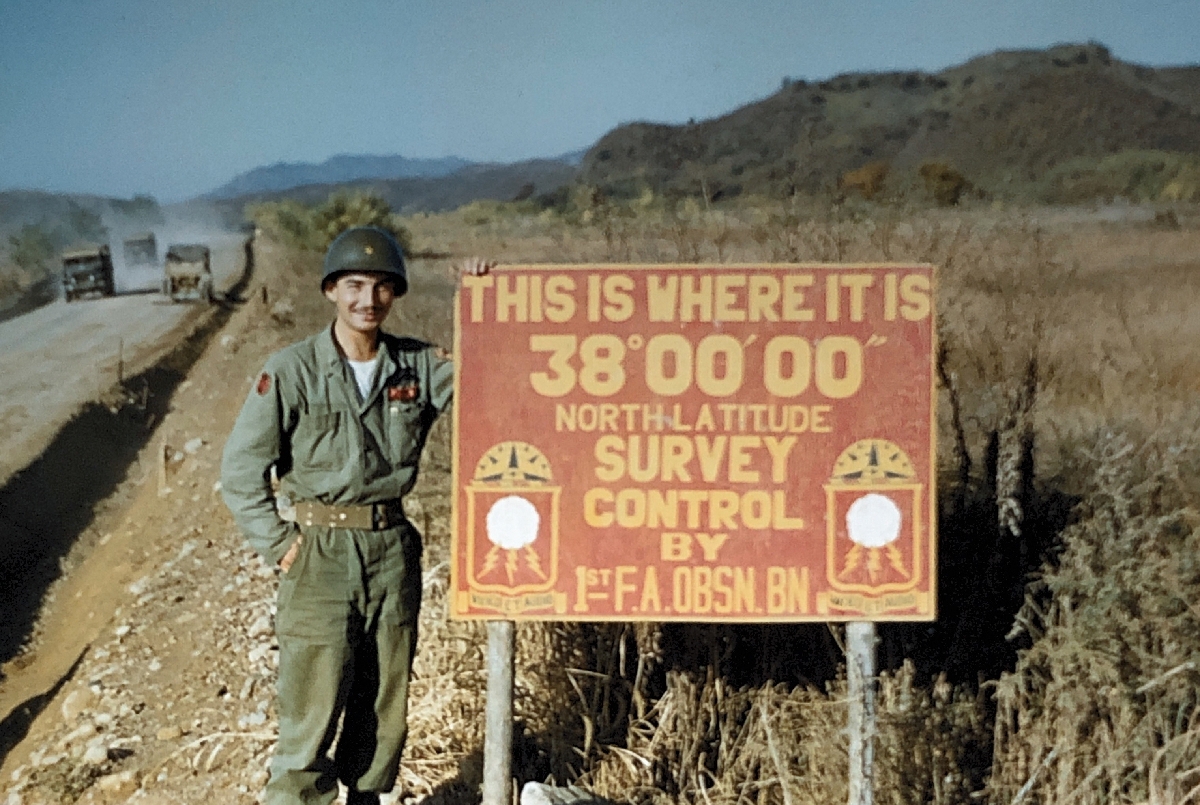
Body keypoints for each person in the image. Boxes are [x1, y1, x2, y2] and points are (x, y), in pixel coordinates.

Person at [220, 226, 491, 805]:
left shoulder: (417, 366)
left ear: (396, 294)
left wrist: (484, 301)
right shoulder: (291, 369)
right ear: (331, 291)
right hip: (318, 554)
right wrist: (280, 545)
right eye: (354, 285)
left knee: (383, 708)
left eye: (382, 287)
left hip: (392, 551)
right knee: (311, 710)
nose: (368, 300)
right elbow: (242, 472)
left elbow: (492, 385)